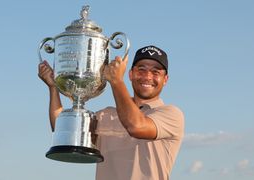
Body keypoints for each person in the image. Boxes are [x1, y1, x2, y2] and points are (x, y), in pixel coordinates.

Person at [38, 45, 185, 180]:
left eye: (155, 72)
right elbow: (63, 130)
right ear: (131, 74)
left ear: (165, 79)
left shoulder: (171, 114)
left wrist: (116, 81)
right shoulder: (106, 115)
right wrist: (53, 88)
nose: (147, 76)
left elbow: (136, 126)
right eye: (141, 69)